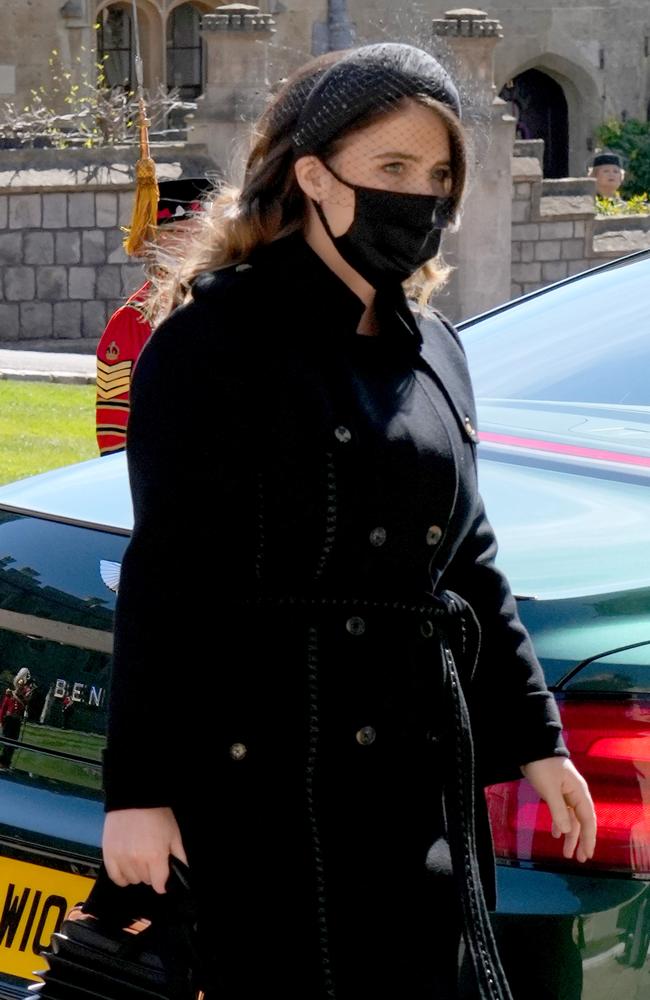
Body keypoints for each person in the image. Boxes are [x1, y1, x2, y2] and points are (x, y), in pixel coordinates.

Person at [101, 43, 596, 1000]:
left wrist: (538, 738)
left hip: (413, 784)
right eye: (395, 170)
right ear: (314, 176)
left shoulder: (438, 350)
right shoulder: (212, 341)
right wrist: (140, 793)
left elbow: (471, 560)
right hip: (259, 782)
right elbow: (167, 575)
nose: (424, 196)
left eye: (441, 174)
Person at [95, 177, 213, 456]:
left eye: (203, 235)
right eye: (182, 233)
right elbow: (116, 434)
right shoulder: (131, 322)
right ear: (155, 242)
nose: (195, 245)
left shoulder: (225, 305)